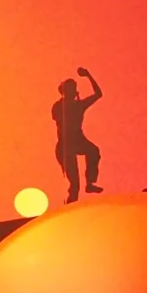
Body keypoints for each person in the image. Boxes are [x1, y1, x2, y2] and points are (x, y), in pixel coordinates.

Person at [52, 68, 104, 203]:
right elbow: (57, 117)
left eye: (73, 89)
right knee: (74, 184)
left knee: (93, 151)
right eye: (69, 90)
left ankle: (90, 182)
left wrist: (88, 75)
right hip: (65, 144)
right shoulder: (58, 106)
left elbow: (98, 94)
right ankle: (71, 204)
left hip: (77, 139)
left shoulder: (79, 105)